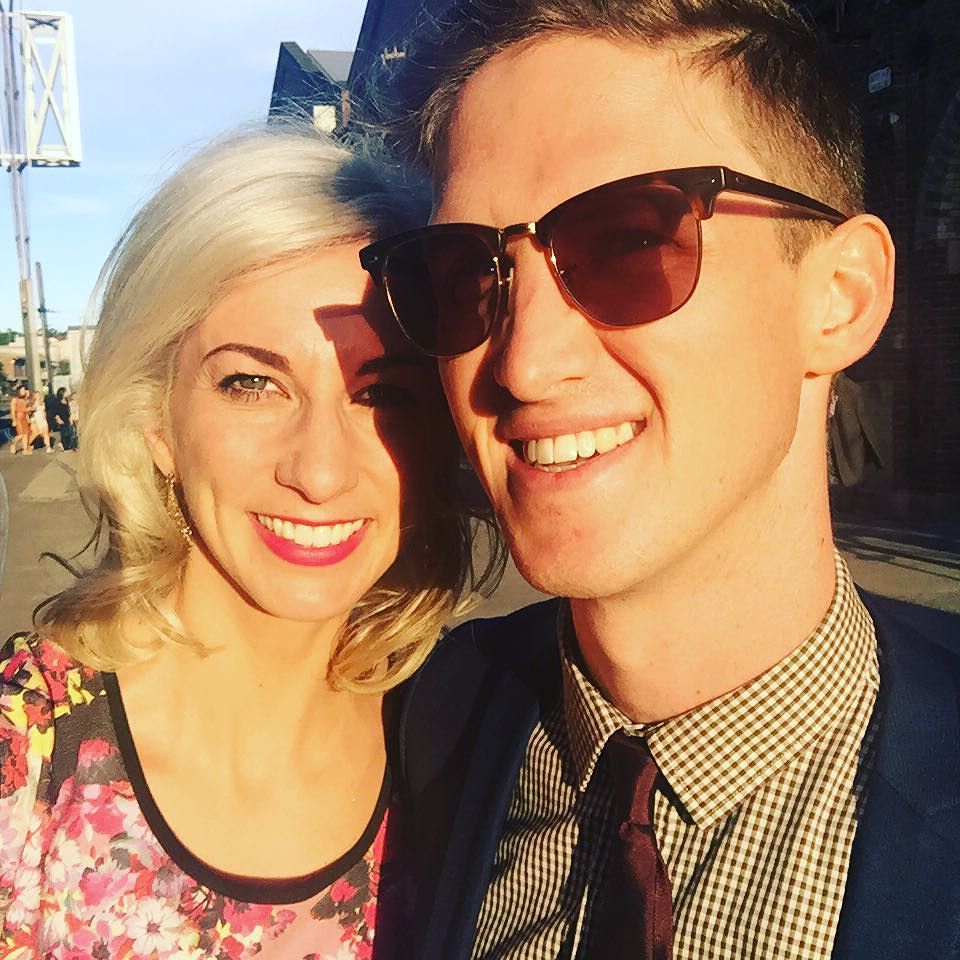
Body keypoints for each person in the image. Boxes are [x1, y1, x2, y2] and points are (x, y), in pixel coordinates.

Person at [360, 0, 960, 957]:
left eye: (629, 241)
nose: (523, 362)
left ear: (839, 299)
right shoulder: (417, 727)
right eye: (467, 274)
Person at [0, 123, 499, 958]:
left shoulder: (482, 752)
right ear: (158, 419)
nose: (321, 471)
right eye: (252, 383)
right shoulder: (26, 760)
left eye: (384, 394)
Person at [49, 386, 76, 450]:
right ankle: (65, 446)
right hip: (61, 419)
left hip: (67, 418)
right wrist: (58, 418)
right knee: (64, 433)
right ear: (62, 393)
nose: (67, 393)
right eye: (66, 392)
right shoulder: (57, 402)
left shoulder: (66, 400)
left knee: (69, 432)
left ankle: (67, 445)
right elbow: (53, 411)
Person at [8, 384, 31, 454]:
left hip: (24, 418)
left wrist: (28, 416)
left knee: (26, 434)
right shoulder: (14, 400)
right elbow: (12, 410)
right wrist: (14, 420)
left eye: (24, 390)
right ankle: (13, 444)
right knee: (21, 434)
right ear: (19, 391)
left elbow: (26, 410)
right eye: (22, 390)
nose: (24, 391)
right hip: (18, 419)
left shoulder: (25, 400)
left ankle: (25, 450)